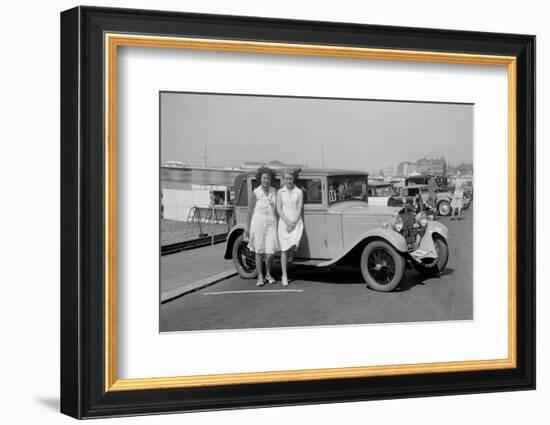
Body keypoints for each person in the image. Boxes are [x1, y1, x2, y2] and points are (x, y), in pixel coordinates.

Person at [245, 167, 279, 286]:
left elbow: (277, 210)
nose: (266, 180)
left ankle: (268, 273)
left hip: (271, 222)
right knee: (259, 251)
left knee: (270, 252)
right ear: (260, 179)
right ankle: (260, 276)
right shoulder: (255, 193)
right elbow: (249, 212)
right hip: (258, 223)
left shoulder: (274, 191)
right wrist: (247, 229)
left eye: (268, 178)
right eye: (264, 178)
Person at [277, 168, 304, 286]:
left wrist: (293, 222)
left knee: (294, 245)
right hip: (284, 223)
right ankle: (284, 275)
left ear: (293, 179)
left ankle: (292, 253)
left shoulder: (299, 192)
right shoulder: (280, 192)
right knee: (284, 250)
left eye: (290, 178)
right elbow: (278, 209)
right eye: (287, 178)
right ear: (284, 179)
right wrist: (287, 222)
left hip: (296, 222)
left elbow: (299, 208)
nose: (289, 181)